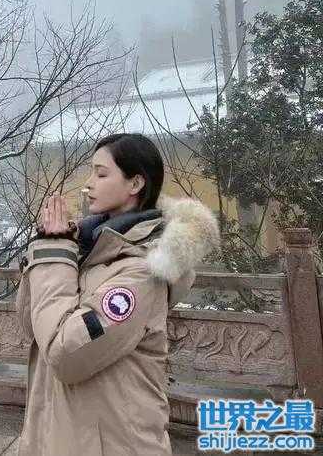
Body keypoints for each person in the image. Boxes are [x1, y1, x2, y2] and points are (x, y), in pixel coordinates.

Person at [16, 133, 220, 456]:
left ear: (135, 183)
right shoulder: (89, 247)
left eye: (100, 174)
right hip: (62, 434)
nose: (88, 184)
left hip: (115, 444)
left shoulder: (142, 273)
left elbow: (65, 355)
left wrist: (55, 256)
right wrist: (52, 251)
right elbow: (34, 328)